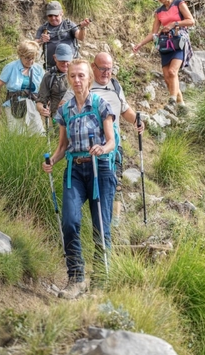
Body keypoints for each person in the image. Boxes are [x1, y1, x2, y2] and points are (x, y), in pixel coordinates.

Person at [42, 59, 116, 299]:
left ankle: (101, 282)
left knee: (100, 226)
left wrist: (102, 149)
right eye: (73, 76)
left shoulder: (101, 105)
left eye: (81, 76)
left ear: (89, 78)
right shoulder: (65, 110)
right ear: (68, 79)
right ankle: (76, 278)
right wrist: (52, 160)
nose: (77, 80)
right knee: (70, 222)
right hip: (74, 169)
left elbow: (111, 140)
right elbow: (63, 146)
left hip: (100, 169)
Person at [62, 52, 145, 226]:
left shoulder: (115, 85)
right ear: (93, 67)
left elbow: (125, 110)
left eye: (110, 69)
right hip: (87, 148)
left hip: (113, 145)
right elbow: (65, 111)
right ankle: (95, 221)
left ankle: (113, 223)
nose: (107, 73)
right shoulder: (82, 86)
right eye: (102, 69)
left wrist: (137, 121)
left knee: (116, 184)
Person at [133, 0, 194, 114]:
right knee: (167, 77)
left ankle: (171, 100)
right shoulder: (159, 12)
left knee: (173, 72)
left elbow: (191, 21)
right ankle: (181, 104)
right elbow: (154, 33)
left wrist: (174, 24)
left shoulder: (179, 3)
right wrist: (140, 44)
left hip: (179, 42)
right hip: (166, 45)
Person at [0, 40, 45, 135]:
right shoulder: (11, 67)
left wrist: (45, 104)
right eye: (28, 58)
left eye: (33, 58)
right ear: (21, 55)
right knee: (16, 135)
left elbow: (45, 88)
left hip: (33, 106)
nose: (31, 61)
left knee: (38, 135)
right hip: (14, 105)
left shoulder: (38, 69)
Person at [35, 0, 91, 68]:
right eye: (50, 15)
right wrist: (41, 40)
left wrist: (82, 28)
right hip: (51, 68)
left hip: (70, 67)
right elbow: (33, 46)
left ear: (61, 13)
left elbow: (80, 37)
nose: (53, 18)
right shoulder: (43, 28)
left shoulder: (69, 25)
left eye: (56, 15)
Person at [36, 43, 73, 119]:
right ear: (55, 58)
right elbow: (41, 100)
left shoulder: (80, 74)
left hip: (78, 117)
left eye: (67, 60)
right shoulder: (49, 76)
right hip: (58, 118)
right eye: (62, 60)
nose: (65, 64)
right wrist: (41, 109)